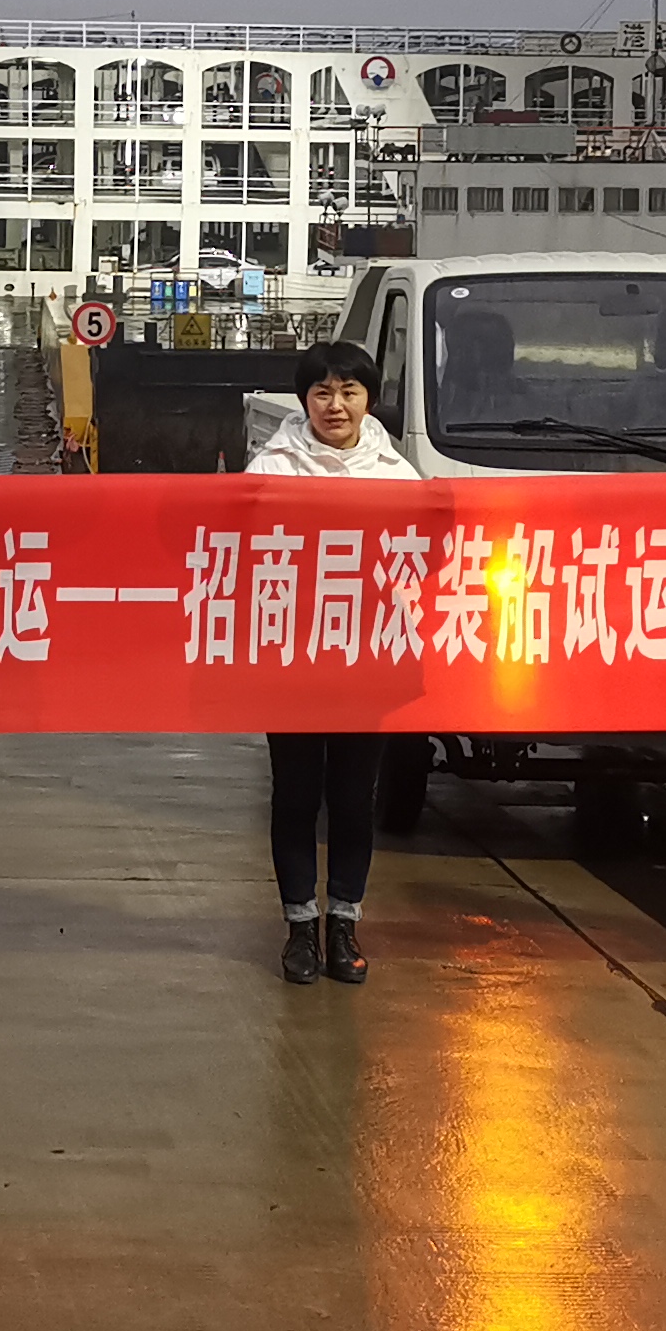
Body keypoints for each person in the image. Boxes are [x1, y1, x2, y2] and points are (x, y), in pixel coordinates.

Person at [245, 341, 416, 986]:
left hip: (365, 662)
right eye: (322, 392)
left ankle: (343, 922)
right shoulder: (271, 469)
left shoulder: (398, 477)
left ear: (369, 400)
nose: (335, 405)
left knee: (352, 798)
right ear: (304, 400)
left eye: (349, 391)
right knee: (295, 795)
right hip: (292, 661)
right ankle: (299, 927)